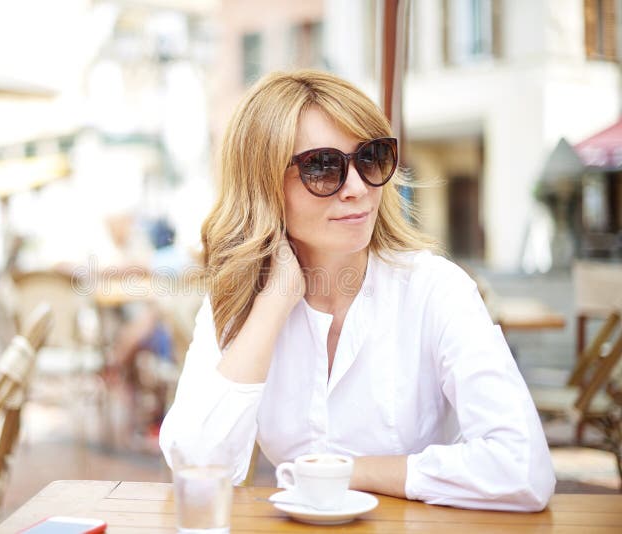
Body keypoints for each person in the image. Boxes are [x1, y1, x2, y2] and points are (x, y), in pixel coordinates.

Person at [159, 70, 555, 511]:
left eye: (370, 158)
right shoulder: (240, 301)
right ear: (263, 184)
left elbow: (524, 470)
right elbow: (195, 466)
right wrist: (273, 304)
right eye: (322, 167)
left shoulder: (436, 290)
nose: (356, 188)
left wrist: (347, 470)